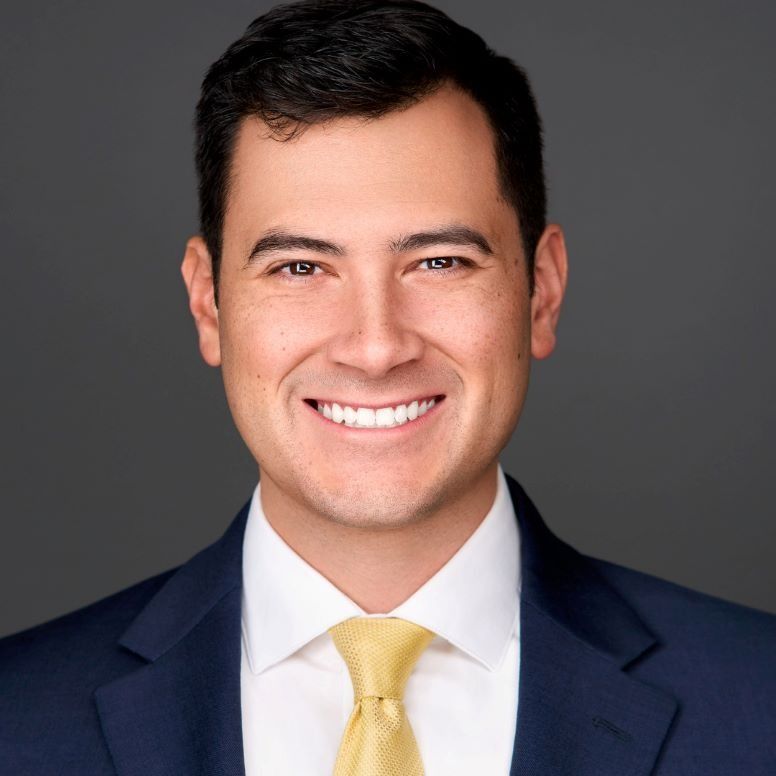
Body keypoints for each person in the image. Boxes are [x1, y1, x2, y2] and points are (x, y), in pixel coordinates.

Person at [1, 0, 774, 773]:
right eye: (300, 267)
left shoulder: (756, 700)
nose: (375, 347)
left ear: (542, 289)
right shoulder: (19, 717)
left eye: (439, 262)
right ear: (208, 303)